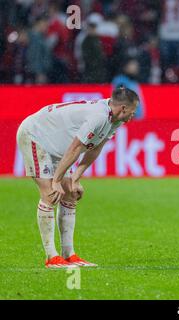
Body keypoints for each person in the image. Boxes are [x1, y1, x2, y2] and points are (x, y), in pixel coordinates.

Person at [16, 87, 139, 268]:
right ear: (122, 108)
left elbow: (95, 148)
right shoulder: (98, 116)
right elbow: (75, 147)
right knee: (51, 194)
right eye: (132, 111)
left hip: (57, 147)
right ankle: (51, 257)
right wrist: (56, 181)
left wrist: (75, 178)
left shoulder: (115, 120)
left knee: (71, 194)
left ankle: (69, 254)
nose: (132, 116)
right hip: (36, 136)